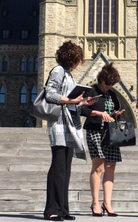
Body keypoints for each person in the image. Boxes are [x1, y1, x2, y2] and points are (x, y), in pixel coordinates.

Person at [43, 41, 96, 221]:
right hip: (59, 125)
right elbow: (49, 94)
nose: (77, 64)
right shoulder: (58, 71)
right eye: (77, 60)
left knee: (65, 168)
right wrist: (71, 101)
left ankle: (62, 209)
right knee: (58, 168)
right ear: (71, 58)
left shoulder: (68, 75)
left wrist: (82, 103)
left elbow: (71, 102)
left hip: (69, 125)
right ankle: (52, 209)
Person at [82, 63, 125, 217]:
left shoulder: (112, 94)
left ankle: (107, 203)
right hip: (95, 130)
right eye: (107, 84)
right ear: (101, 80)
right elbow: (82, 109)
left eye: (112, 84)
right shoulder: (92, 91)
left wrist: (116, 113)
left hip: (110, 133)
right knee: (98, 167)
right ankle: (95, 203)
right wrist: (98, 113)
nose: (109, 87)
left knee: (110, 166)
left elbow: (112, 113)